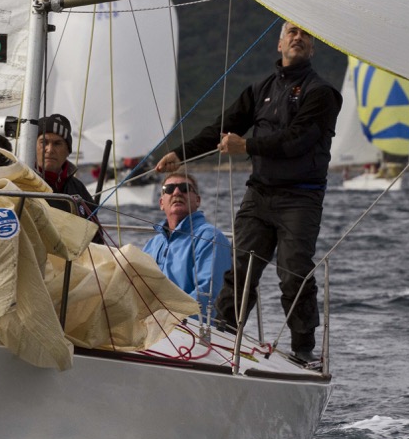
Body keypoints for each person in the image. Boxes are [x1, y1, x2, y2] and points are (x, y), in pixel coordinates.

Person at [154, 21, 342, 365]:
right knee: (240, 269)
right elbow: (221, 129)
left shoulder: (322, 93)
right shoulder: (261, 90)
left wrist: (248, 145)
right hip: (260, 194)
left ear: (313, 47)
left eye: (305, 34)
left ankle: (303, 349)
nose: (298, 37)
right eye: (291, 32)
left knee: (293, 272)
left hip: (300, 197)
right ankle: (225, 335)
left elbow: (299, 139)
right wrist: (181, 153)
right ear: (279, 44)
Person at [142, 172, 232, 321]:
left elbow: (208, 292)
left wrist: (167, 318)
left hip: (191, 330)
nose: (177, 192)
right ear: (161, 203)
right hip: (153, 325)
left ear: (197, 201)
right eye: (169, 189)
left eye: (185, 188)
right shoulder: (152, 244)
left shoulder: (210, 237)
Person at [35, 113, 99, 219]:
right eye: (44, 142)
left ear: (67, 151)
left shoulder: (78, 188)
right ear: (33, 146)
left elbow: (94, 232)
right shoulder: (18, 182)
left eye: (57, 143)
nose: (50, 150)